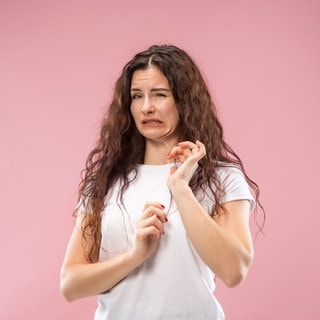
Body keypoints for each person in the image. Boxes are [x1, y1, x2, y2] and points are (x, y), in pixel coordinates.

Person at [60, 44, 264, 320]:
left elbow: (234, 270)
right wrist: (135, 256)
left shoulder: (222, 178)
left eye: (159, 94)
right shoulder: (106, 181)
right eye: (136, 96)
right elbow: (71, 284)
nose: (146, 107)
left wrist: (180, 188)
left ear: (184, 100)